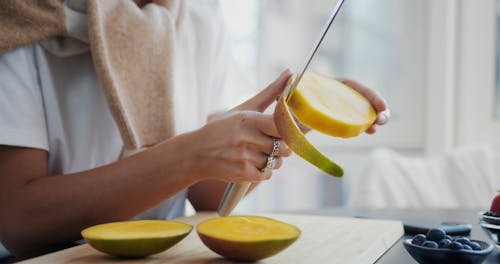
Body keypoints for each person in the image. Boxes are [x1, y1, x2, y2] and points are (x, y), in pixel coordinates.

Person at [0, 0, 389, 259]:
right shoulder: (21, 18)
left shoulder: (198, 15)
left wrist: (290, 121)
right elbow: (18, 222)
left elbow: (210, 192)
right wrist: (189, 155)